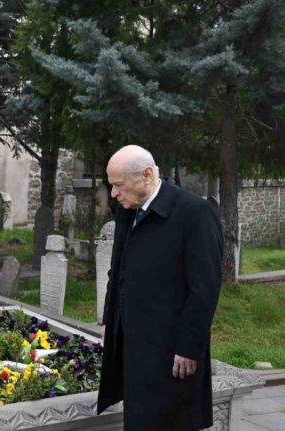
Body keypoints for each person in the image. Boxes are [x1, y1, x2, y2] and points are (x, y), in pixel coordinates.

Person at [97, 145, 223, 431]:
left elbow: (204, 288)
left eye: (119, 185)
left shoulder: (194, 213)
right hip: (134, 343)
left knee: (170, 421)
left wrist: (189, 347)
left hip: (171, 350)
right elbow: (117, 272)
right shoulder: (128, 211)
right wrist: (109, 319)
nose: (114, 193)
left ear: (146, 175)